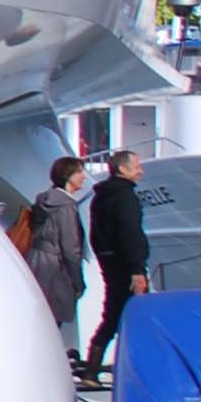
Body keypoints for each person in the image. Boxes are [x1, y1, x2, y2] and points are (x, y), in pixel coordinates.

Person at [80, 147, 151, 382]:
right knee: (131, 316)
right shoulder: (125, 197)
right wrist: (137, 269)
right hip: (125, 266)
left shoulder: (102, 197)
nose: (141, 170)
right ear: (122, 169)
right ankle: (129, 370)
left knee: (113, 314)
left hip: (110, 262)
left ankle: (95, 368)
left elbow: (96, 234)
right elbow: (130, 233)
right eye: (137, 165)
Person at [22, 156, 91, 366]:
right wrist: (78, 282)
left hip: (36, 260)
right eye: (79, 172)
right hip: (55, 267)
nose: (83, 176)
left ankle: (36, 360)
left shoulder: (45, 200)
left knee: (40, 316)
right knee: (53, 319)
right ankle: (42, 364)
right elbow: (70, 247)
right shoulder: (65, 206)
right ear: (68, 176)